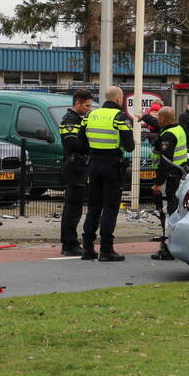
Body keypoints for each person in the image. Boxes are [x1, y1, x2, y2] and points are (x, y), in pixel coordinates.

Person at [79, 85, 135, 262]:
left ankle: (87, 249)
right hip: (111, 166)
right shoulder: (119, 117)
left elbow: (81, 142)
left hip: (93, 165)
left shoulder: (90, 115)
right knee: (110, 208)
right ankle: (106, 250)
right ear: (119, 99)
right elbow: (129, 146)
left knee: (93, 207)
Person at [149, 106, 187, 261]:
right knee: (173, 209)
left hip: (169, 178)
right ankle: (172, 245)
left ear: (163, 120)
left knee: (166, 211)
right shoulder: (178, 129)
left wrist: (158, 183)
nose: (157, 120)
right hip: (177, 175)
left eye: (158, 118)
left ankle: (167, 248)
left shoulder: (168, 136)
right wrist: (144, 117)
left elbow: (166, 162)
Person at [58, 89, 93, 256]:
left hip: (78, 166)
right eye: (86, 105)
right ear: (77, 103)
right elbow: (74, 144)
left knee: (74, 207)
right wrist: (89, 144)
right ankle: (69, 243)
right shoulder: (70, 121)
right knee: (72, 208)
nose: (89, 109)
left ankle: (69, 242)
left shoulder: (78, 119)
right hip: (74, 167)